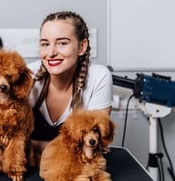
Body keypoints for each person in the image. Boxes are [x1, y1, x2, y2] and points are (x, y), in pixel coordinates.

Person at [28, 11, 113, 153]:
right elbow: (8, 141)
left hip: (75, 170)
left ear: (82, 47)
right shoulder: (27, 75)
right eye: (45, 44)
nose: (51, 53)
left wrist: (36, 146)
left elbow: (92, 146)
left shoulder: (99, 77)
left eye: (62, 43)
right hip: (25, 168)